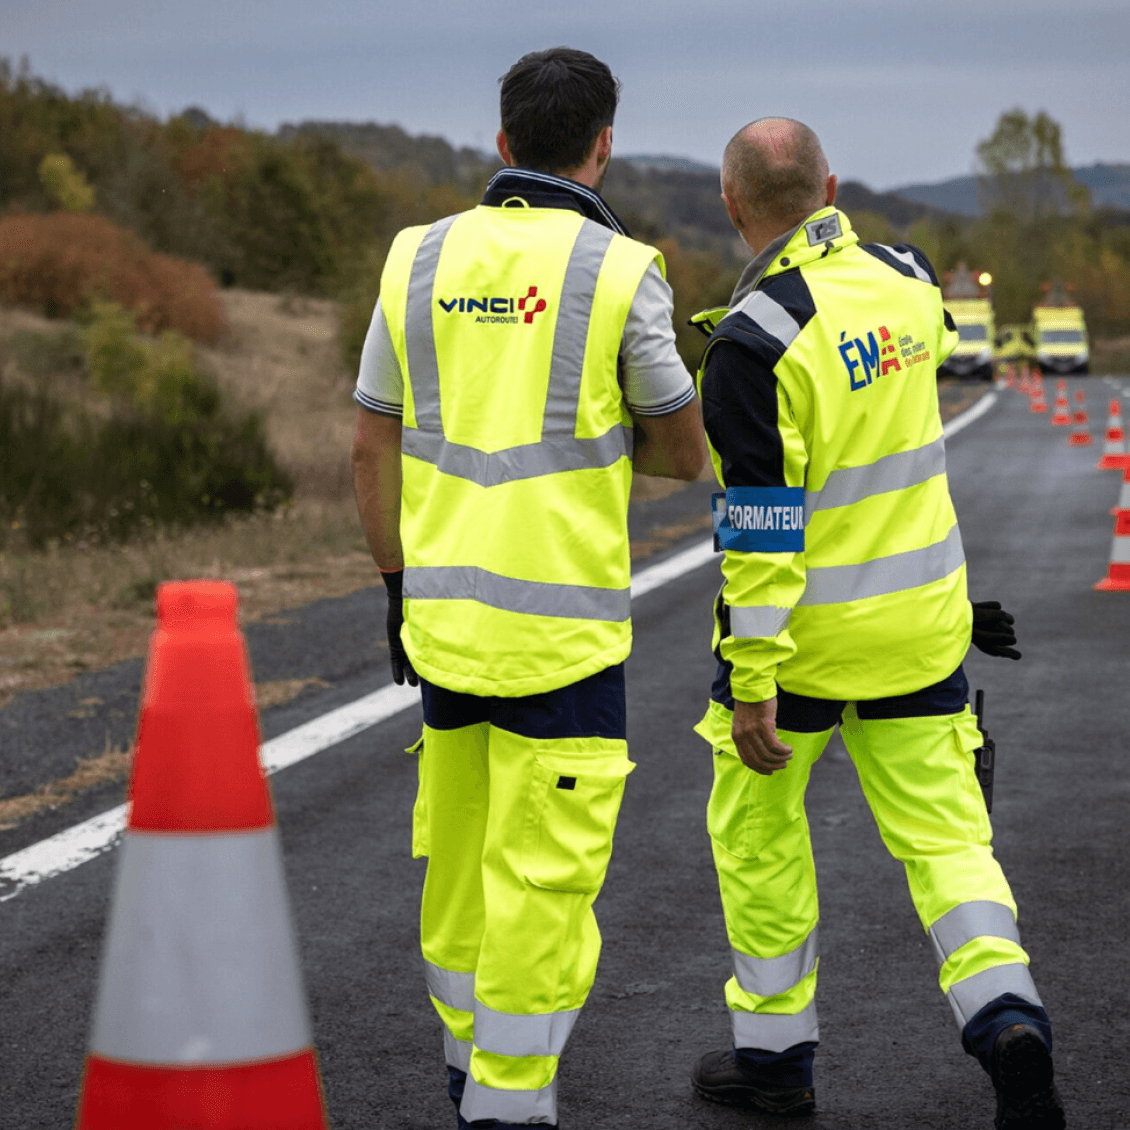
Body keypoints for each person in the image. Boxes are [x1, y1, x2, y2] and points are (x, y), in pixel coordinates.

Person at [350, 47, 705, 1130]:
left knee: (456, 861)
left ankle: (467, 1062)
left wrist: (398, 588)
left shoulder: (414, 258)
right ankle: (508, 1099)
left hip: (444, 626)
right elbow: (684, 455)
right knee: (543, 881)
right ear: (601, 146)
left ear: (500, 143)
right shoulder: (620, 271)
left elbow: (371, 450)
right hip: (563, 642)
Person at [687, 118, 1065, 1130]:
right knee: (947, 840)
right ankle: (1005, 1013)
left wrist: (753, 675)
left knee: (761, 840)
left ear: (731, 207)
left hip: (802, 649)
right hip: (919, 633)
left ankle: (773, 1061)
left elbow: (760, 534)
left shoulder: (752, 339)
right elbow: (928, 343)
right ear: (832, 186)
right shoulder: (906, 284)